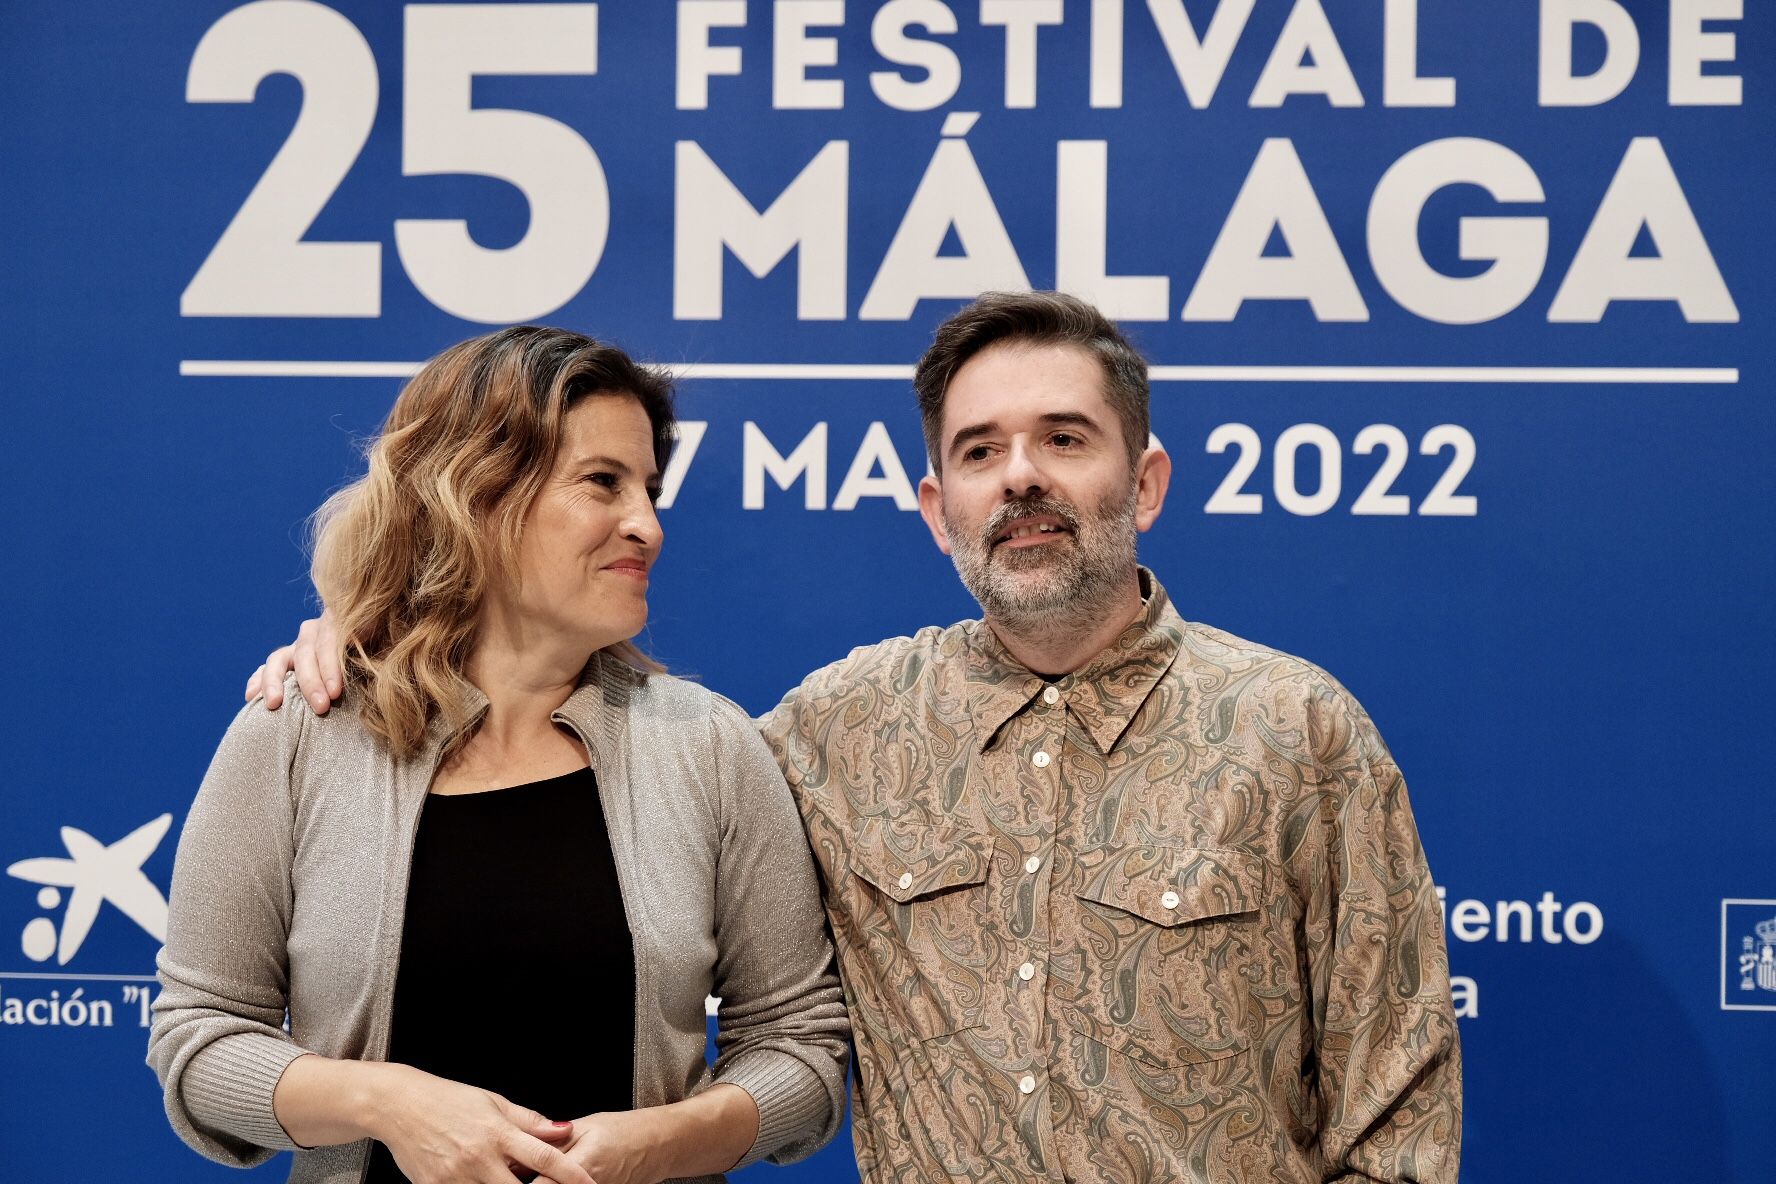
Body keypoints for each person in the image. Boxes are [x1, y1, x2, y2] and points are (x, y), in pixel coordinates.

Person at [255, 293, 1462, 1183]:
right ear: (939, 509)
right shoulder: (836, 729)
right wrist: (374, 627)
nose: (1021, 478)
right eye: (980, 452)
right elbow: (588, 751)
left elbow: (1396, 1116)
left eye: (1065, 439)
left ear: (1143, 484)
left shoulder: (1294, 729)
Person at [153, 326, 849, 1184]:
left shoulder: (708, 746)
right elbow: (200, 1042)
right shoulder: (299, 730)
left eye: (651, 489)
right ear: (473, 493)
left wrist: (661, 1143)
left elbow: (802, 1048)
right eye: (604, 483)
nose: (647, 525)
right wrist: (388, 1102)